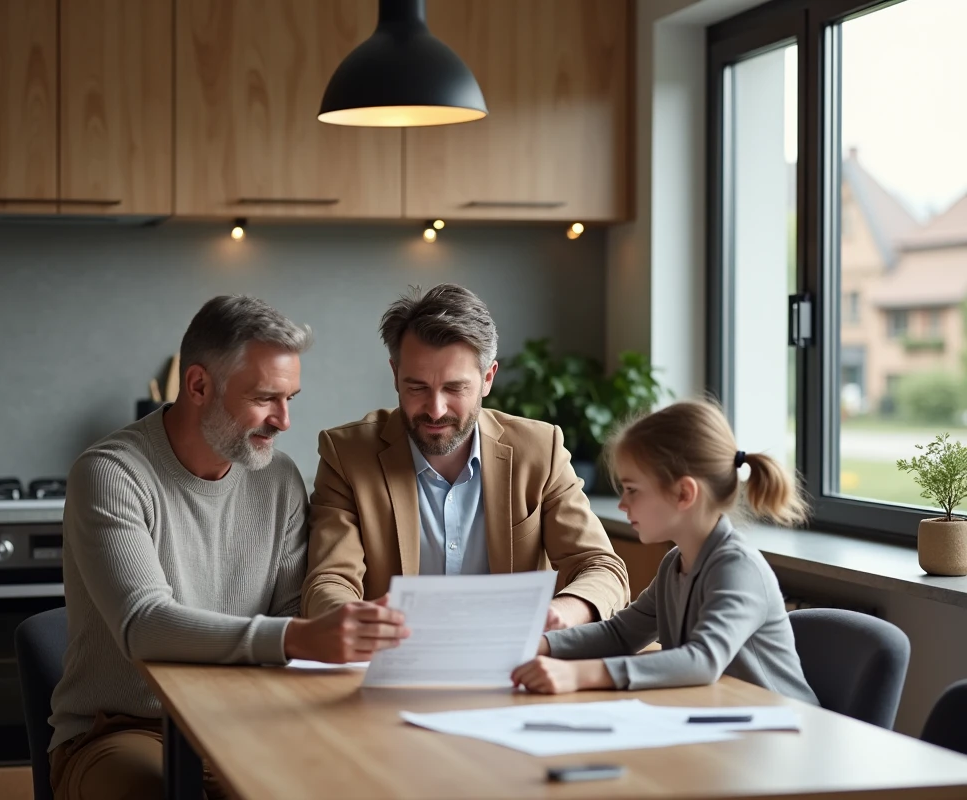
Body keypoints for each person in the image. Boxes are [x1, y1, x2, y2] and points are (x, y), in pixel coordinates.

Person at [48, 296, 409, 800]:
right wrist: (302, 638)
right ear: (198, 385)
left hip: (246, 718)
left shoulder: (279, 478)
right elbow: (145, 625)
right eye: (265, 398)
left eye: (291, 399)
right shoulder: (112, 474)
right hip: (128, 730)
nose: (283, 421)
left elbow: (289, 610)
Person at [302, 283, 630, 629]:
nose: (435, 409)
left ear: (488, 378)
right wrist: (353, 623)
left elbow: (601, 566)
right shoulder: (348, 456)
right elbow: (329, 580)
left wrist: (562, 612)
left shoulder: (539, 450)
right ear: (396, 375)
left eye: (455, 388)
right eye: (417, 387)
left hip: (515, 668)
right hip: (392, 660)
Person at [510, 400, 819, 705]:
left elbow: (702, 660)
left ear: (684, 493)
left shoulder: (738, 567)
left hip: (780, 738)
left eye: (632, 489)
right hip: (722, 728)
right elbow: (620, 634)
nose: (622, 504)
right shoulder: (675, 563)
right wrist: (535, 646)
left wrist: (578, 675)